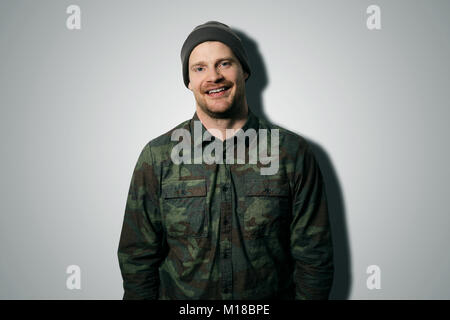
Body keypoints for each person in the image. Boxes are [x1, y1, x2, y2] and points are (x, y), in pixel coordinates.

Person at [117, 21, 334, 300]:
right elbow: (137, 259)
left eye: (224, 64)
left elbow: (314, 257)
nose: (213, 77)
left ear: (244, 70)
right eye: (200, 68)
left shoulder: (291, 153)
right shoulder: (157, 157)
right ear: (188, 81)